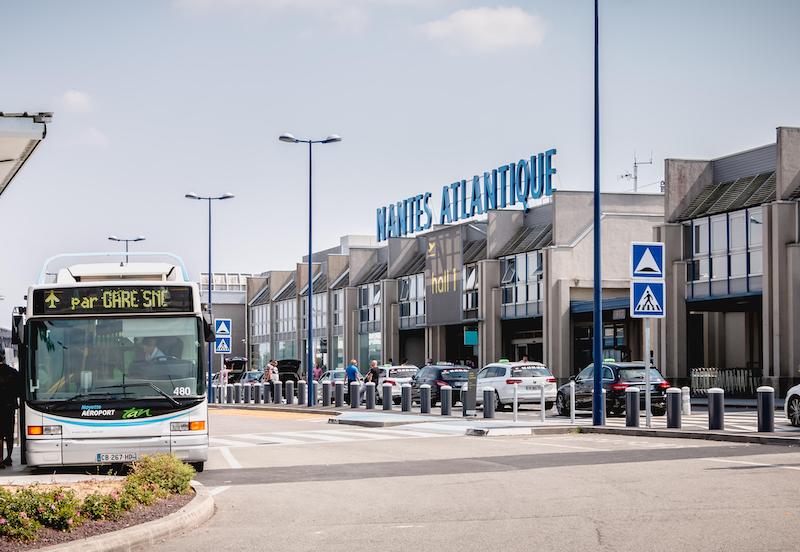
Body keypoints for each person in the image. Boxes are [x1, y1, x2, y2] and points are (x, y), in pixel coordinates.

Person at [0, 351, 19, 467]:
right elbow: (19, 391)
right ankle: (9, 457)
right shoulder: (13, 372)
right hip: (10, 407)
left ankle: (0, 459)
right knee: (9, 433)